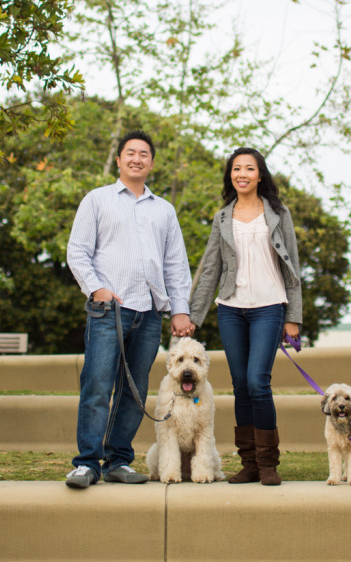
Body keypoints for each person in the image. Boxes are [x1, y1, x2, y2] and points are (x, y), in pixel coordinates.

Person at [64, 130, 194, 489]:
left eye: (144, 154)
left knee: (135, 390)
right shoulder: (97, 200)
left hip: (150, 312)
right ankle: (86, 463)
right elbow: (77, 252)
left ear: (152, 163)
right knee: (97, 385)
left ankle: (118, 460)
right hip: (109, 311)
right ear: (119, 160)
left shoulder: (164, 210)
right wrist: (97, 289)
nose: (137, 159)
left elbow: (176, 265)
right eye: (130, 153)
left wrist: (179, 310)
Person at [187, 147, 302, 486]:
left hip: (269, 306)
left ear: (260, 175)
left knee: (257, 383)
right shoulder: (223, 217)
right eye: (236, 169)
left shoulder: (279, 213)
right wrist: (193, 316)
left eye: (249, 169)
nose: (242, 174)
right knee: (240, 387)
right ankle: (249, 463)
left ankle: (268, 464)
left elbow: (292, 266)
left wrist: (293, 316)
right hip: (231, 309)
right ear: (230, 176)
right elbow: (210, 268)